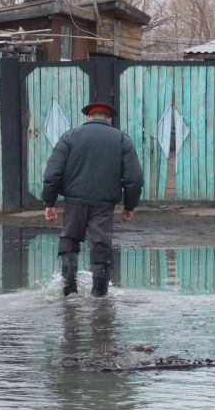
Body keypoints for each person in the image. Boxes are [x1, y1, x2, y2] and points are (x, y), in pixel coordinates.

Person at [42, 102, 144, 297]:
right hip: (104, 205)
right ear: (110, 119)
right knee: (101, 246)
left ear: (89, 117)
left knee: (69, 241)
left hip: (74, 202)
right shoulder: (122, 139)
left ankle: (69, 293)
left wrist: (49, 202)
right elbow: (135, 178)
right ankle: (99, 296)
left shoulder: (70, 136)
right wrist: (129, 206)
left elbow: (53, 173)